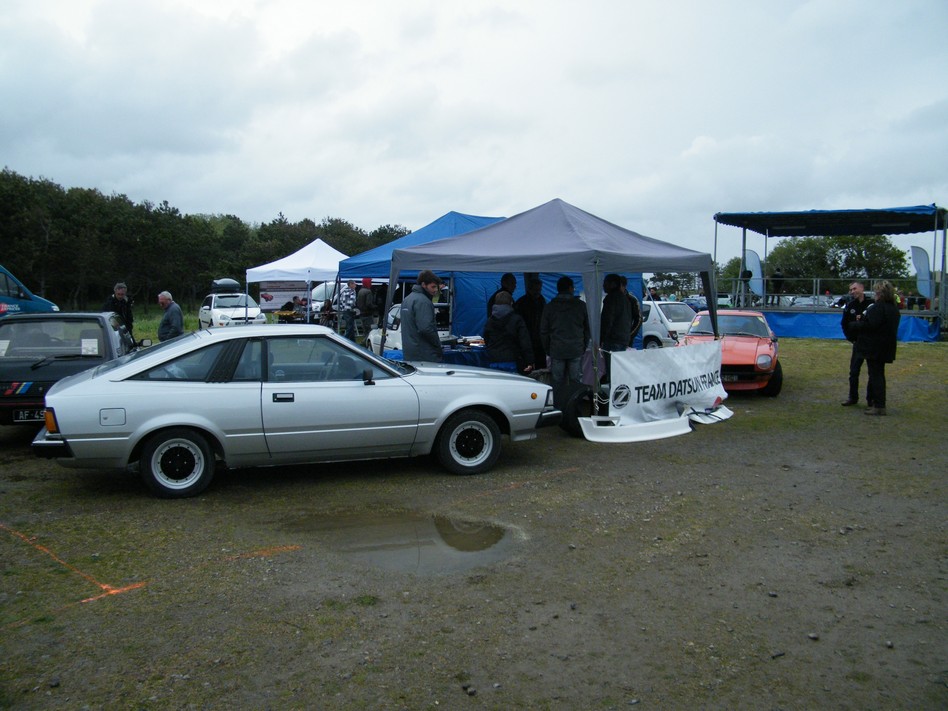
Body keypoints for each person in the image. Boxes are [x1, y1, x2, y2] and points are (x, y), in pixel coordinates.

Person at [851, 280, 901, 416]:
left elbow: (870, 326)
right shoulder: (893, 309)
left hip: (874, 347)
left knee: (875, 376)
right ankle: (877, 402)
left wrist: (856, 324)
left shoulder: (878, 308)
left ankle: (879, 405)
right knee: (879, 375)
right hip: (886, 346)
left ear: (880, 293)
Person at [540, 276, 590, 388]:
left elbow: (543, 331)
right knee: (576, 383)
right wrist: (583, 345)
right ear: (570, 288)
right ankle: (574, 400)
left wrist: (548, 349)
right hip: (576, 348)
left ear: (558, 289)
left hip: (557, 349)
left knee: (557, 383)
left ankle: (559, 400)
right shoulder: (581, 306)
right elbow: (587, 328)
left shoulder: (550, 307)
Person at [484, 291, 534, 374]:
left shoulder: (489, 321)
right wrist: (530, 361)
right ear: (511, 303)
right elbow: (525, 342)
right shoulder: (517, 320)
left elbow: (486, 339)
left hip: (494, 359)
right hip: (512, 359)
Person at [840, 281, 873, 407]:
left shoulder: (871, 304)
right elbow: (844, 323)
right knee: (854, 372)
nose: (852, 291)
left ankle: (871, 399)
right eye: (851, 290)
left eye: (854, 289)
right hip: (858, 343)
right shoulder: (850, 305)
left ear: (862, 288)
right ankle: (853, 397)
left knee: (872, 372)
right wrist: (851, 338)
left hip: (870, 343)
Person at [401, 270, 444, 362]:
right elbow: (426, 328)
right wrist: (437, 344)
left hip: (410, 353)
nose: (436, 290)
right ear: (424, 284)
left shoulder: (407, 299)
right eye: (433, 287)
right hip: (425, 354)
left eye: (437, 287)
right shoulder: (423, 301)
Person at [600, 273, 631, 382]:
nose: (603, 286)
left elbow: (607, 321)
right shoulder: (625, 298)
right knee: (618, 372)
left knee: (612, 372)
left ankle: (613, 391)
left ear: (613, 284)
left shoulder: (611, 299)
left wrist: (601, 338)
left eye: (605, 283)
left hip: (613, 340)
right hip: (623, 339)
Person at [514, 276, 547, 369]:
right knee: (528, 367)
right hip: (526, 339)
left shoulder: (541, 300)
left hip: (539, 340)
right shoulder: (521, 303)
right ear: (529, 289)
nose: (538, 292)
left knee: (541, 366)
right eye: (536, 290)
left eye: (539, 290)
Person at [620, 276, 642, 346]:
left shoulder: (632, 300)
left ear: (623, 286)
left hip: (625, 338)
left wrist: (630, 335)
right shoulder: (609, 299)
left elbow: (638, 319)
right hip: (610, 339)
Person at [355, 277, 376, 343]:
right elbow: (368, 304)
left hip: (362, 313)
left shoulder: (360, 291)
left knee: (365, 330)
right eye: (370, 282)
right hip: (367, 313)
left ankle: (364, 342)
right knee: (371, 329)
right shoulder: (368, 291)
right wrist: (375, 307)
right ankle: (365, 342)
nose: (371, 284)